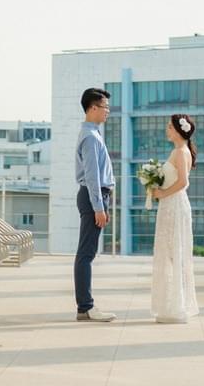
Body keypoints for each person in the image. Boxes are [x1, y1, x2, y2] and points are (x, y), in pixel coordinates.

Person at [148, 112, 200, 323]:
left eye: (169, 127)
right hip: (172, 205)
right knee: (171, 252)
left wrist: (161, 193)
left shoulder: (180, 151)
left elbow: (183, 183)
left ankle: (175, 307)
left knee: (173, 253)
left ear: (179, 130)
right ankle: (171, 305)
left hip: (174, 205)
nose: (166, 130)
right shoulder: (180, 150)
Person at [74, 87, 116, 321]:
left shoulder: (93, 134)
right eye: (105, 107)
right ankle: (85, 307)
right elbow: (92, 176)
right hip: (93, 196)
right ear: (92, 108)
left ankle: (85, 306)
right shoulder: (90, 137)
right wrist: (99, 207)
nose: (107, 112)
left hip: (96, 195)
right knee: (86, 254)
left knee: (86, 253)